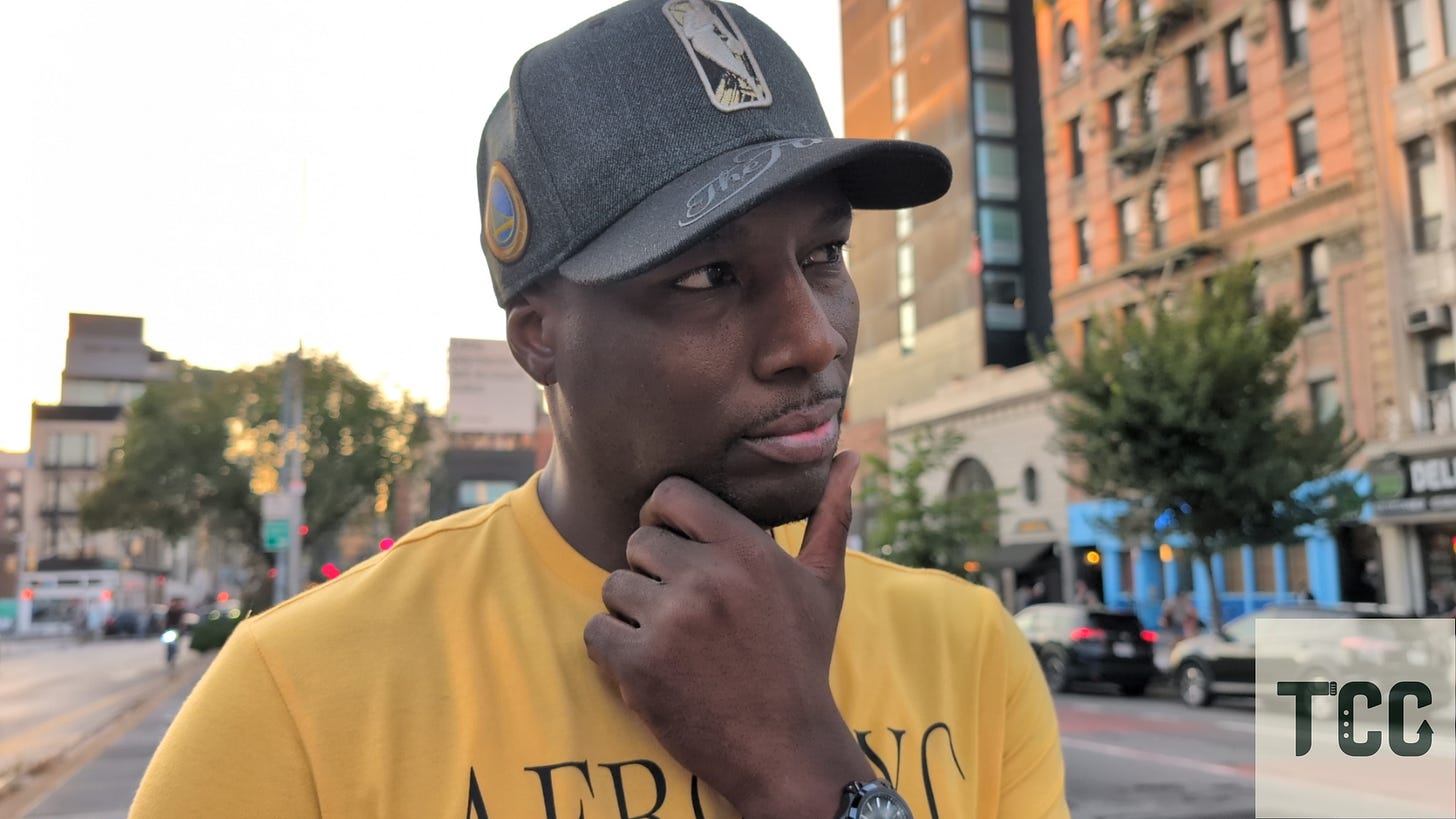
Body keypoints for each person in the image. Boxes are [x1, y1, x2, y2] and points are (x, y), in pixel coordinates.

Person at [130, 2, 1069, 817]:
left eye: (824, 255)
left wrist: (812, 771)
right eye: (711, 275)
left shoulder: (971, 649)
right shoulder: (298, 697)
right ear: (539, 335)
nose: (815, 339)